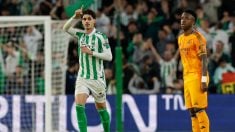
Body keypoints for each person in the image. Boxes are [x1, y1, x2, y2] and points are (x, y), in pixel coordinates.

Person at [63, 8, 112, 132]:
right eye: (84, 19)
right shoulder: (80, 35)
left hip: (97, 79)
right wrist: (75, 16)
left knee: (101, 109)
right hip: (83, 77)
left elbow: (109, 56)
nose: (86, 21)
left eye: (89, 19)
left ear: (94, 21)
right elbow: (66, 28)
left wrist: (91, 52)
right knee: (79, 106)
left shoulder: (101, 37)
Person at [178, 9, 210, 132]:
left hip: (197, 76)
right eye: (181, 18)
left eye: (186, 18)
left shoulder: (198, 38)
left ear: (193, 22)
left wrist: (203, 80)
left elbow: (204, 60)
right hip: (187, 78)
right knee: (192, 111)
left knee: (199, 109)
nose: (183, 20)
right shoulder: (180, 38)